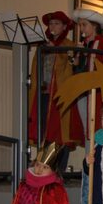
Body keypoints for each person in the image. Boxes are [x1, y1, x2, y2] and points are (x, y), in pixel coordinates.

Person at [28, 11, 84, 166]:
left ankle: (59, 169)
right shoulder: (42, 45)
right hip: (42, 94)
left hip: (60, 96)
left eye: (57, 23)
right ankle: (42, 165)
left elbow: (74, 65)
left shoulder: (68, 44)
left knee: (61, 132)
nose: (53, 26)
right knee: (43, 130)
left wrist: (57, 50)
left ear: (65, 26)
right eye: (51, 23)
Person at [72, 8, 103, 134]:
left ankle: (94, 152)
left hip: (97, 92)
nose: (81, 29)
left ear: (95, 26)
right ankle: (88, 152)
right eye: (80, 25)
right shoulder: (82, 44)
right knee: (86, 127)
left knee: (97, 125)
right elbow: (77, 68)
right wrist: (77, 55)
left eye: (84, 25)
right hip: (82, 92)